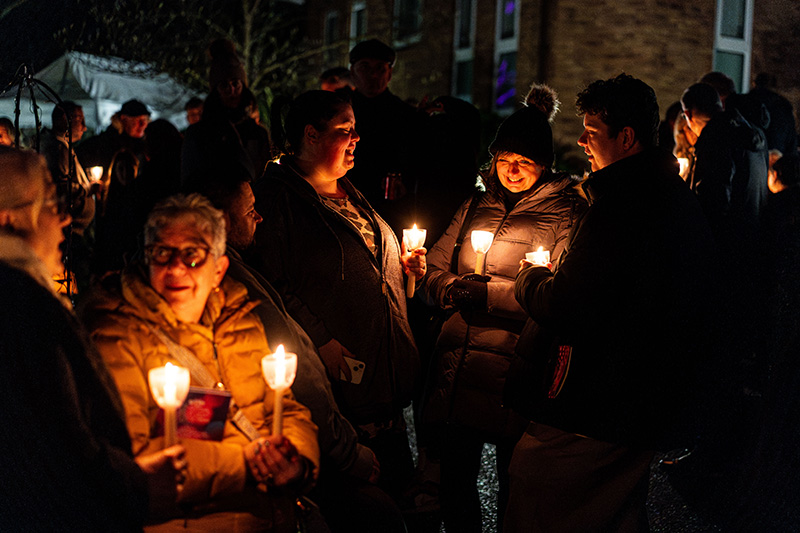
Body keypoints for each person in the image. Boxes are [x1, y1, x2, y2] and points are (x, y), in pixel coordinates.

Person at [504, 74, 714, 531]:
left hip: (599, 400)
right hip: (641, 402)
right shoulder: (671, 196)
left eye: (592, 131)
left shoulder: (623, 206)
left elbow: (567, 302)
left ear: (626, 137)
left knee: (537, 488)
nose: (581, 141)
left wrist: (530, 277)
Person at [79, 193, 320, 531]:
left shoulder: (240, 318)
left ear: (219, 269)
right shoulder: (116, 334)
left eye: (192, 255)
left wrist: (295, 459)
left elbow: (286, 409)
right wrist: (246, 464)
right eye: (162, 253)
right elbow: (131, 457)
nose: (175, 267)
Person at [418, 84, 587, 533]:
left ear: (544, 165)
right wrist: (452, 290)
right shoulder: (477, 202)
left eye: (524, 162)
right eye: (504, 159)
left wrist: (487, 295)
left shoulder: (567, 212)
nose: (512, 170)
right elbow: (433, 266)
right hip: (459, 363)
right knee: (455, 483)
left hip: (517, 365)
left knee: (517, 487)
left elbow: (560, 293)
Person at [200, 173, 406, 532]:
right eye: (250, 212)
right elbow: (301, 387)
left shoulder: (237, 278)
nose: (259, 218)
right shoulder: (234, 290)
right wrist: (345, 452)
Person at [246, 90, 424, 506]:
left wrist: (406, 273)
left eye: (355, 128)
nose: (357, 137)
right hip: (342, 391)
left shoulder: (350, 191)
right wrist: (320, 341)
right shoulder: (278, 201)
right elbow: (273, 284)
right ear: (311, 135)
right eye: (344, 130)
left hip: (385, 384)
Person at [0, 147, 186, 530]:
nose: (65, 216)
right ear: (10, 219)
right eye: (50, 201)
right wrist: (138, 484)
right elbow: (58, 447)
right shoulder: (23, 312)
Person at [345, 38, 423, 235]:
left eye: (380, 68)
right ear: (353, 72)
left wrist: (405, 180)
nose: (373, 75)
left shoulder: (405, 115)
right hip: (344, 198)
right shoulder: (337, 111)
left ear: (390, 74)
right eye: (365, 67)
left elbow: (417, 158)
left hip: (389, 207)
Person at [182, 38, 273, 189]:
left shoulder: (258, 133)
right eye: (224, 85)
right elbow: (191, 182)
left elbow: (268, 180)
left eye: (235, 83)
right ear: (215, 90)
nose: (231, 90)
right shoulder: (199, 134)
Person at [78, 99, 151, 172]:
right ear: (123, 118)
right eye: (138, 120)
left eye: (145, 120)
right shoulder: (101, 145)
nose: (143, 124)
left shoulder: (147, 148)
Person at [750, 72, 798, 157]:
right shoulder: (784, 106)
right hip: (777, 158)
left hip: (753, 158)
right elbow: (791, 140)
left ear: (755, 84)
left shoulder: (749, 102)